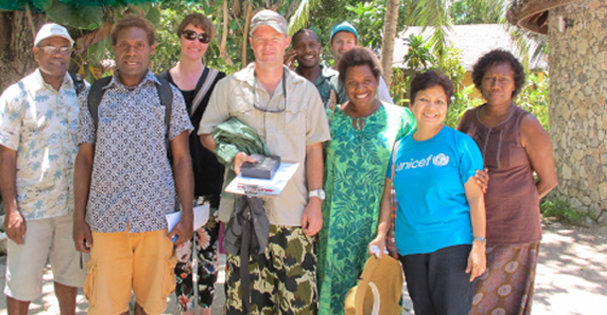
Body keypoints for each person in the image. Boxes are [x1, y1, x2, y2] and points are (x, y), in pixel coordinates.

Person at [198, 10, 330, 314]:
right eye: (260, 38)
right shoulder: (229, 87)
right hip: (243, 215)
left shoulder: (306, 93)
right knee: (247, 304)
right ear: (251, 42)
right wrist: (232, 155)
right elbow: (206, 134)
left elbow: (314, 150)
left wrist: (315, 201)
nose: (267, 45)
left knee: (298, 304)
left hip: (292, 215)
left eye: (274, 38)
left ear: (286, 44)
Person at [73, 15, 195, 315]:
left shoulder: (167, 96)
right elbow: (84, 158)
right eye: (125, 45)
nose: (132, 52)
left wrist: (187, 215)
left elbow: (181, 159)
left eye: (139, 45)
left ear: (151, 48)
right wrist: (79, 217)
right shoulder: (94, 95)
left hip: (155, 219)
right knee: (106, 304)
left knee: (150, 303)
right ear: (114, 48)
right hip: (105, 219)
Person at [0, 23, 86, 315]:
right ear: (36, 52)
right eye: (49, 47)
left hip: (72, 208)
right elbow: (6, 157)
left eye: (64, 48)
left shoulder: (83, 93)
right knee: (21, 284)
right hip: (31, 210)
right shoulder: (17, 96)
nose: (57, 54)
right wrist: (12, 210)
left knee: (69, 279)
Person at [317, 47, 416, 315]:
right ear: (343, 85)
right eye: (352, 83)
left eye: (367, 81)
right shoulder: (330, 119)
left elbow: (423, 155)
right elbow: (313, 162)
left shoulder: (401, 119)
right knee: (336, 294)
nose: (360, 88)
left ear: (377, 80)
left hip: (379, 225)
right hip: (334, 228)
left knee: (375, 295)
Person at [458, 49, 558, 315]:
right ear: (480, 82)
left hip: (516, 235)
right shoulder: (468, 119)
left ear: (515, 84)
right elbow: (455, 165)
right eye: (490, 78)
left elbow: (549, 180)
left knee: (506, 305)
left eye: (504, 79)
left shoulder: (526, 124)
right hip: (472, 231)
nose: (496, 85)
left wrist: (521, 203)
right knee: (468, 303)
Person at [391, 70, 487, 315]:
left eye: (439, 101)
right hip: (411, 248)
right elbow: (388, 197)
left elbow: (476, 198)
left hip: (453, 246)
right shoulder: (399, 149)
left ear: (446, 107)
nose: (431, 107)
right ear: (411, 103)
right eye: (424, 99)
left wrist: (479, 244)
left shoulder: (461, 144)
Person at [158, 13, 226, 315]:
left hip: (211, 184)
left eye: (203, 37)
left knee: (209, 258)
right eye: (190, 34)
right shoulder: (159, 83)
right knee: (180, 258)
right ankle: (186, 310)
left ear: (208, 43)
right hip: (172, 187)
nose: (195, 42)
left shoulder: (220, 82)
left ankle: (206, 311)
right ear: (179, 37)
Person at [329, 21, 393, 104]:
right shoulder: (325, 79)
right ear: (331, 45)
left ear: (356, 46)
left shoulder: (372, 77)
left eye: (349, 42)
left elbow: (388, 108)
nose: (344, 47)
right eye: (339, 42)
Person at [286, 28, 348, 106]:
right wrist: (284, 77)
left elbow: (347, 115)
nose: (307, 50)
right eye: (301, 46)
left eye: (312, 45)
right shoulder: (288, 80)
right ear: (293, 52)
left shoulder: (337, 80)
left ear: (320, 48)